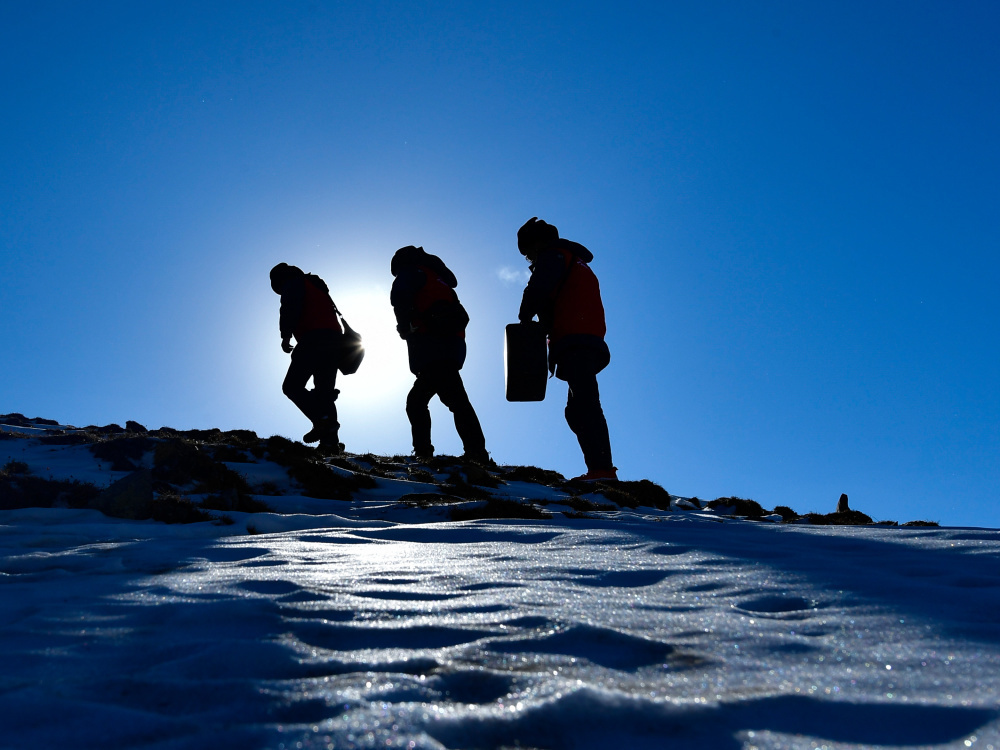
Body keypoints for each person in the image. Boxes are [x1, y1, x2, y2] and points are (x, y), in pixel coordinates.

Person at [516, 218, 616, 480]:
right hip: (589, 337)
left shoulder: (553, 256)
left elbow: (538, 289)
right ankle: (598, 468)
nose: (528, 258)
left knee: (585, 404)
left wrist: (525, 318)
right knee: (576, 408)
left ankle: (602, 471)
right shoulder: (574, 260)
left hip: (575, 338)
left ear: (538, 243)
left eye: (528, 252)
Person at [390, 246, 490, 464]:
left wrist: (404, 327)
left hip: (431, 347)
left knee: (429, 401)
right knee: (446, 401)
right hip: (451, 347)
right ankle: (473, 452)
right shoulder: (438, 279)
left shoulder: (411, 273)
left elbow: (400, 296)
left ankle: (432, 452)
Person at [269, 263, 344, 454]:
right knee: (324, 392)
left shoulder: (293, 283)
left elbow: (289, 308)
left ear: (280, 279)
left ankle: (322, 421)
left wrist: (285, 335)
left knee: (292, 386)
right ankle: (330, 444)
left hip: (313, 338)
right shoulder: (315, 285)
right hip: (334, 340)